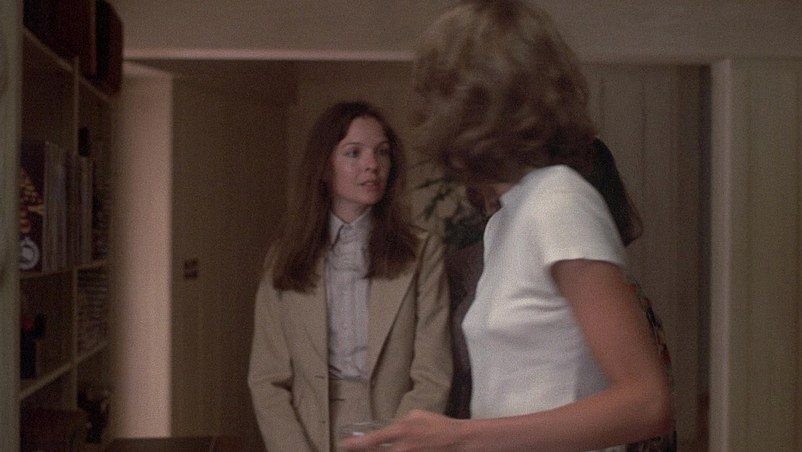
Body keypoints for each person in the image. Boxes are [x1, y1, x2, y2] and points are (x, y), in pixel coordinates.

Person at [341, 1, 674, 451]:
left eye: (444, 97)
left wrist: (460, 436)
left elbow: (647, 404)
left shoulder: (559, 200)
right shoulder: (506, 219)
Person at [248, 101, 453, 452]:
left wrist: (395, 444)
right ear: (324, 167)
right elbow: (267, 380)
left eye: (382, 152)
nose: (372, 165)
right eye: (354, 153)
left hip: (395, 431)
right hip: (308, 435)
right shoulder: (284, 258)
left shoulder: (421, 252)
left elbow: (432, 375)